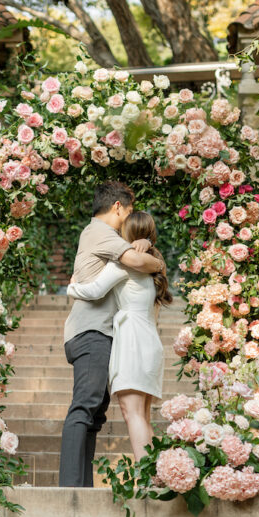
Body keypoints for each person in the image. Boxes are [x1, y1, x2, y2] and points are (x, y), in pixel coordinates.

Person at [59, 182, 165, 488]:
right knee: (86, 406)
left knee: (95, 414)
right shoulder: (99, 232)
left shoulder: (109, 239)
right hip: (91, 331)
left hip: (104, 334)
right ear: (118, 207)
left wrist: (145, 247)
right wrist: (156, 260)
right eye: (129, 210)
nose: (129, 217)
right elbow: (136, 261)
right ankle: (71, 488)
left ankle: (82, 486)